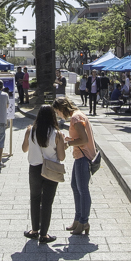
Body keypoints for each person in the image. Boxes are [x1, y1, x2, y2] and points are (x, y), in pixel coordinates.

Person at [22, 105, 67, 244]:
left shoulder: (30, 130)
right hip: (51, 170)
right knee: (47, 202)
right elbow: (61, 157)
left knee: (35, 198)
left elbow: (24, 149)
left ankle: (34, 230)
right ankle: (44, 234)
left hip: (35, 168)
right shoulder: (57, 134)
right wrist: (63, 144)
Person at [53, 96, 96, 236]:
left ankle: (84, 221)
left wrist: (69, 143)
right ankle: (78, 219)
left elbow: (84, 139)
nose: (58, 115)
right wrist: (70, 139)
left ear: (62, 109)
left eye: (58, 112)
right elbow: (81, 137)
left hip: (83, 156)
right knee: (75, 187)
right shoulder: (78, 115)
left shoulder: (75, 118)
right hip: (80, 156)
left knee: (82, 189)